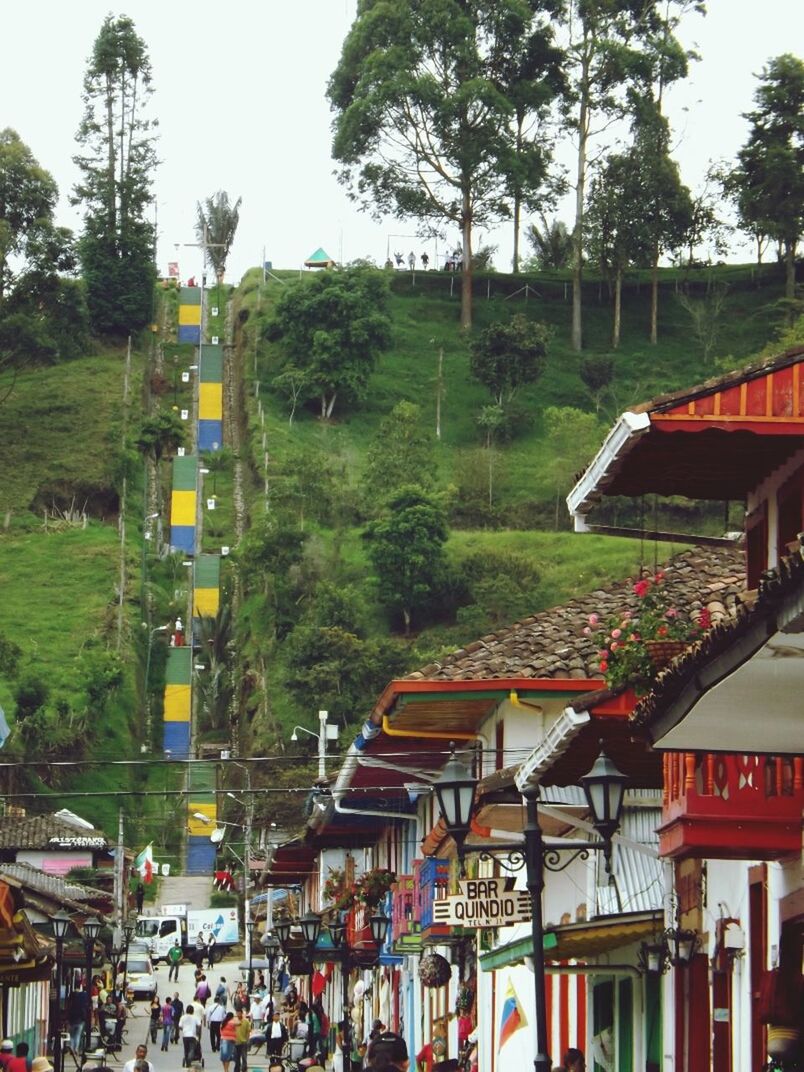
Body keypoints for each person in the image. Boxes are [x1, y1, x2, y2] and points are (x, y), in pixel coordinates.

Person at [179, 1004, 202, 1068]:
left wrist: (184, 1029)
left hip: (185, 1036)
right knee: (192, 1049)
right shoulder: (195, 1017)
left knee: (186, 1049)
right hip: (192, 1035)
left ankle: (187, 1062)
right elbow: (199, 1025)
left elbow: (180, 1026)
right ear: (192, 1011)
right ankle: (189, 1058)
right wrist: (198, 1032)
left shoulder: (183, 1017)